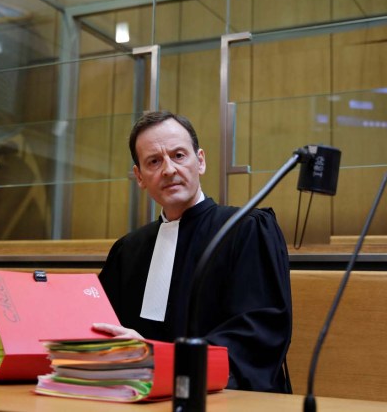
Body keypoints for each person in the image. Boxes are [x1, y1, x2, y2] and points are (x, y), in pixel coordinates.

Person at [93, 110, 292, 393]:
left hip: (219, 397)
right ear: (139, 176)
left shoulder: (246, 229)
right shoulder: (128, 250)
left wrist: (160, 358)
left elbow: (256, 338)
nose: (169, 170)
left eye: (178, 155)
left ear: (200, 161)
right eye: (154, 161)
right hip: (136, 395)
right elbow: (101, 329)